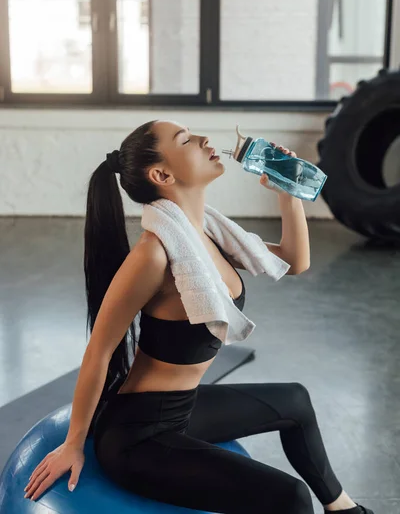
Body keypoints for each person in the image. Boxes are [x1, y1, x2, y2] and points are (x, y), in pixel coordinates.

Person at [24, 119, 373, 514]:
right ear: (162, 174)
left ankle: (344, 509)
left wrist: (288, 192)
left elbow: (294, 261)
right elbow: (99, 352)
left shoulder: (205, 232)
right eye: (186, 140)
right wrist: (73, 444)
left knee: (295, 401)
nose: (206, 140)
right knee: (288, 497)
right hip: (139, 435)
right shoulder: (154, 254)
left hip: (181, 408)